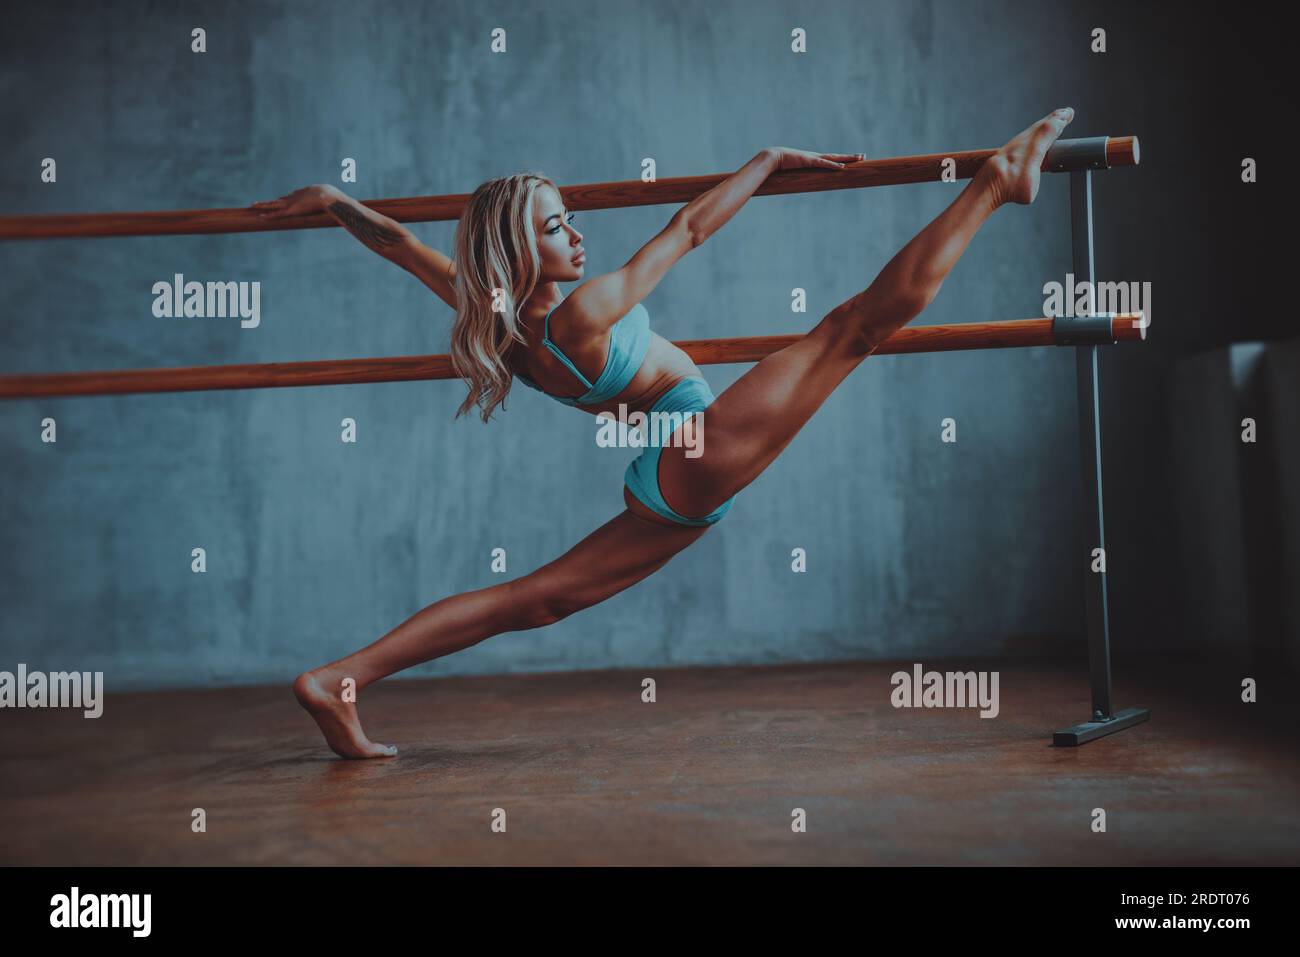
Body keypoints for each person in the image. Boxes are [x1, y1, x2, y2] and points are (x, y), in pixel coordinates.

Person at [251, 108, 1076, 758]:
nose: (577, 233)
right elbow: (685, 230)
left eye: (570, 217)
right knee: (850, 330)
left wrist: (334, 203)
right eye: (554, 227)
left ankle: (340, 678)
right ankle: (998, 182)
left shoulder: (496, 316)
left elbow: (401, 245)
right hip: (693, 450)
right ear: (518, 250)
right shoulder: (580, 314)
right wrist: (767, 159)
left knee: (531, 599)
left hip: (673, 469)